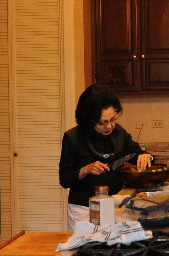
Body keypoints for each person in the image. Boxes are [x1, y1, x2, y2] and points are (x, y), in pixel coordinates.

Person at [59, 84, 152, 225]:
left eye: (113, 119)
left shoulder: (118, 133)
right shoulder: (73, 138)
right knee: (87, 240)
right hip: (83, 209)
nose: (109, 126)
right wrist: (85, 170)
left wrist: (145, 156)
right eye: (102, 122)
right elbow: (65, 179)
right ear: (89, 120)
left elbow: (136, 153)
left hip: (115, 204)